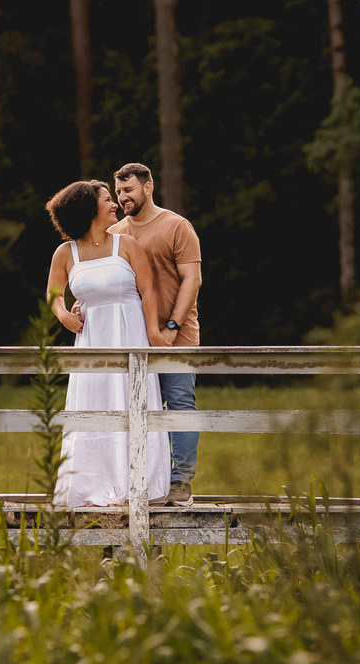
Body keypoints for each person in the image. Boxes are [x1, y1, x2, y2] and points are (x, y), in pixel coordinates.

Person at [44, 180, 171, 507]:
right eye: (106, 199)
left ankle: (138, 487)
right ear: (89, 209)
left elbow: (148, 291)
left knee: (133, 404)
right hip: (92, 341)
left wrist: (154, 335)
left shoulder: (126, 245)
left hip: (129, 334)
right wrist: (64, 315)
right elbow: (54, 295)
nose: (114, 204)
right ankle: (92, 487)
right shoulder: (65, 253)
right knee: (95, 405)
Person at [108, 162, 202, 507]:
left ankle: (180, 482)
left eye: (128, 190)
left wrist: (172, 328)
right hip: (133, 338)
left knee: (179, 405)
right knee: (136, 408)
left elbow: (192, 280)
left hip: (177, 335)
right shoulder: (116, 232)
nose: (122, 198)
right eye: (118, 192)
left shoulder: (177, 226)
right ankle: (142, 481)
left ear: (148, 187)